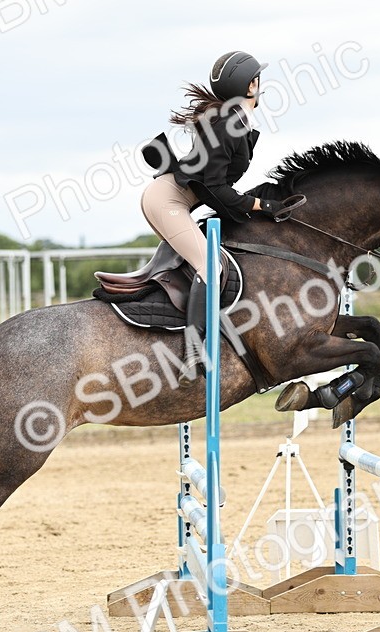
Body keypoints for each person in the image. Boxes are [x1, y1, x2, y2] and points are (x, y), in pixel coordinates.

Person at [140, 51, 284, 384]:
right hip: (168, 200)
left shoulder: (231, 119)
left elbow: (215, 186)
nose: (260, 86)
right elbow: (215, 184)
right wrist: (258, 206)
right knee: (210, 265)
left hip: (175, 198)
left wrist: (256, 204)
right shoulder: (228, 123)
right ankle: (193, 348)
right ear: (250, 85)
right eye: (258, 80)